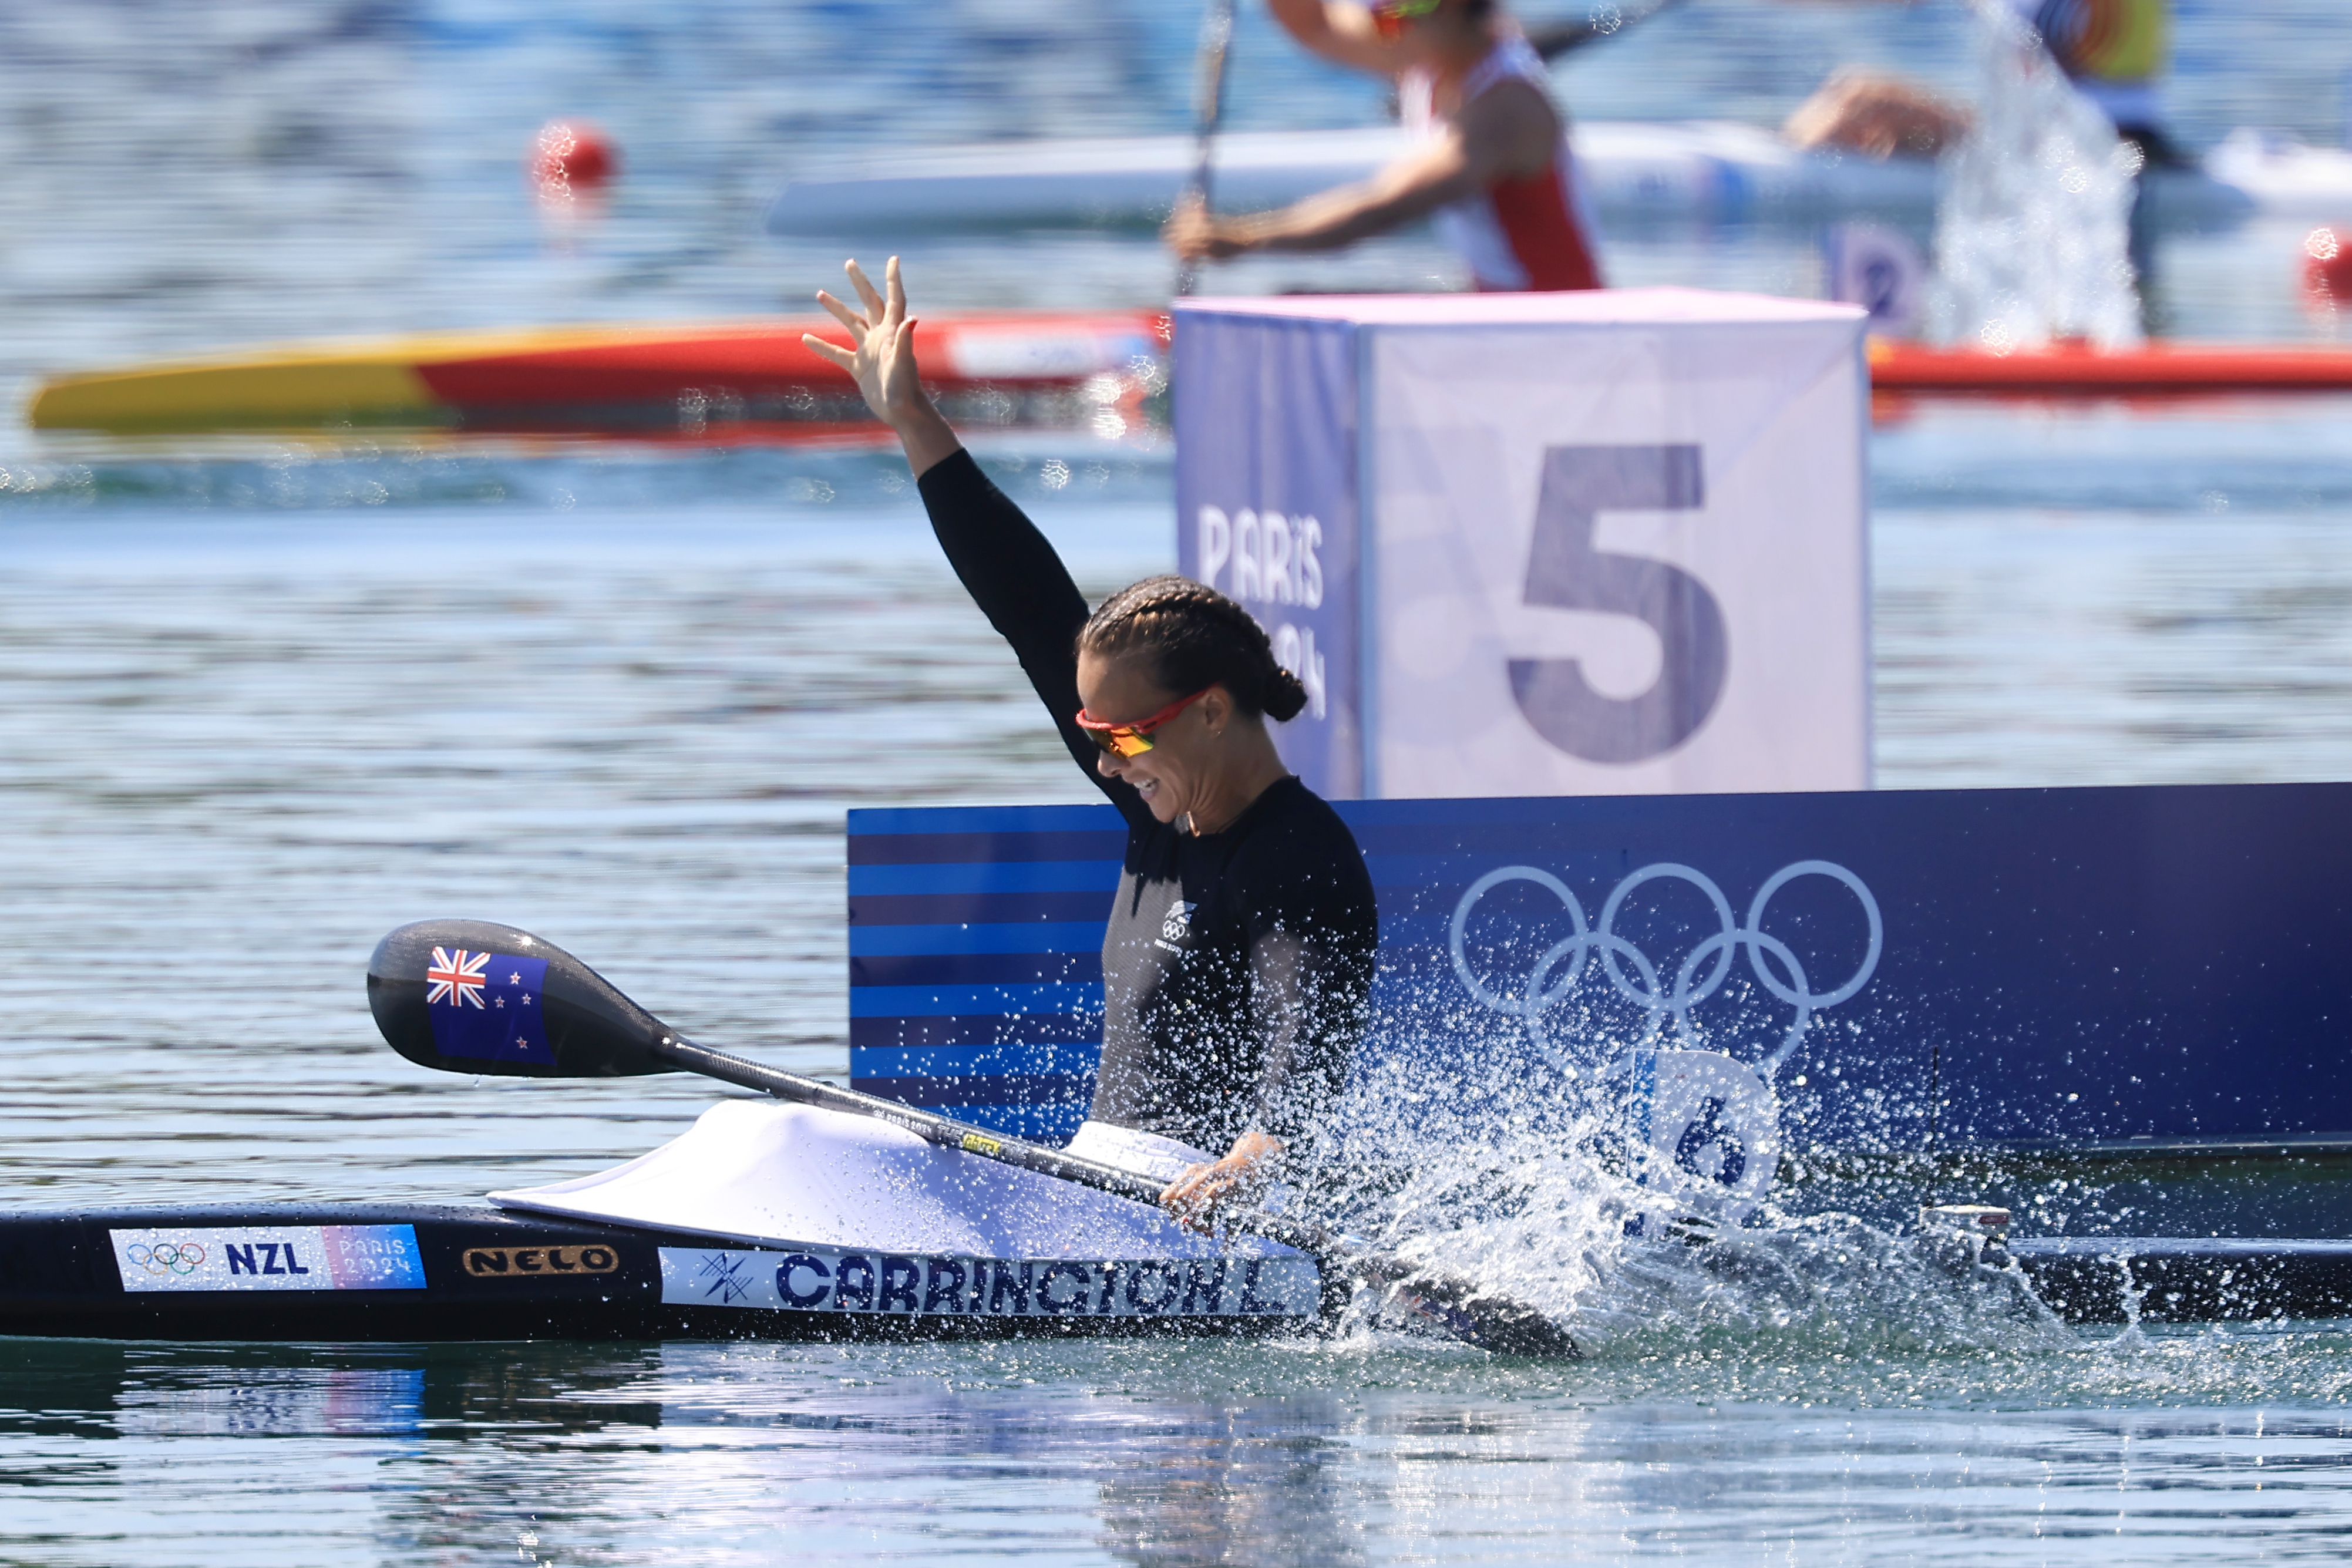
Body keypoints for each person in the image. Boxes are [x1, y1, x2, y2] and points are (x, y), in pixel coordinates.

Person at [804, 257, 1381, 1229]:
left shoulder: (1300, 854)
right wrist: (914, 420)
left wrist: (1256, 1156)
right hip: (1101, 1194)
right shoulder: (1159, 793)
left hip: (1207, 1217)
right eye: (1090, 734)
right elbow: (1027, 606)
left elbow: (1307, 1054)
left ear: (1207, 711)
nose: (1106, 762)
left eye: (1121, 735)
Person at [1164, 0, 1603, 292]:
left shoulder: (1505, 110)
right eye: (1377, 12)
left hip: (1558, 330)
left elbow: (1378, 208)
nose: (1381, 28)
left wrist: (1242, 237)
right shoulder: (1430, 52)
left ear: (1448, 8)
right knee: (1297, 300)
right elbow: (1314, 25)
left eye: (1390, 12)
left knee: (1298, 303)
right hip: (1498, 309)